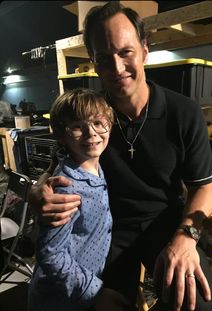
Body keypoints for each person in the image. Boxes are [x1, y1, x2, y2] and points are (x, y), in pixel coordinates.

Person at [29, 2, 212, 311]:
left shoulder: (184, 112)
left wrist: (187, 238)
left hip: (165, 223)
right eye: (104, 59)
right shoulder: (90, 118)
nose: (117, 69)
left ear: (145, 48)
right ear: (93, 62)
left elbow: (203, 187)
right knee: (98, 303)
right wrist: (37, 191)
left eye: (125, 52)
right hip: (107, 227)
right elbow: (52, 171)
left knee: (197, 302)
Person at [28, 88, 130, 311]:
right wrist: (96, 292)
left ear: (109, 126)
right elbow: (51, 254)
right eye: (77, 126)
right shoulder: (66, 190)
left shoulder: (95, 167)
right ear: (62, 135)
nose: (91, 133)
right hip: (59, 300)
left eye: (98, 123)